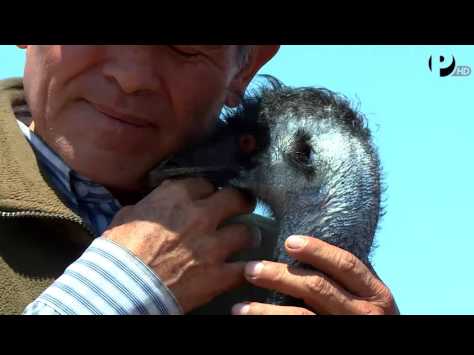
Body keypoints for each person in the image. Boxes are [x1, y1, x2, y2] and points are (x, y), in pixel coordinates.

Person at [0, 45, 399, 315]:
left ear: (244, 67)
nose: (131, 76)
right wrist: (118, 287)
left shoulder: (284, 279)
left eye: (185, 45)